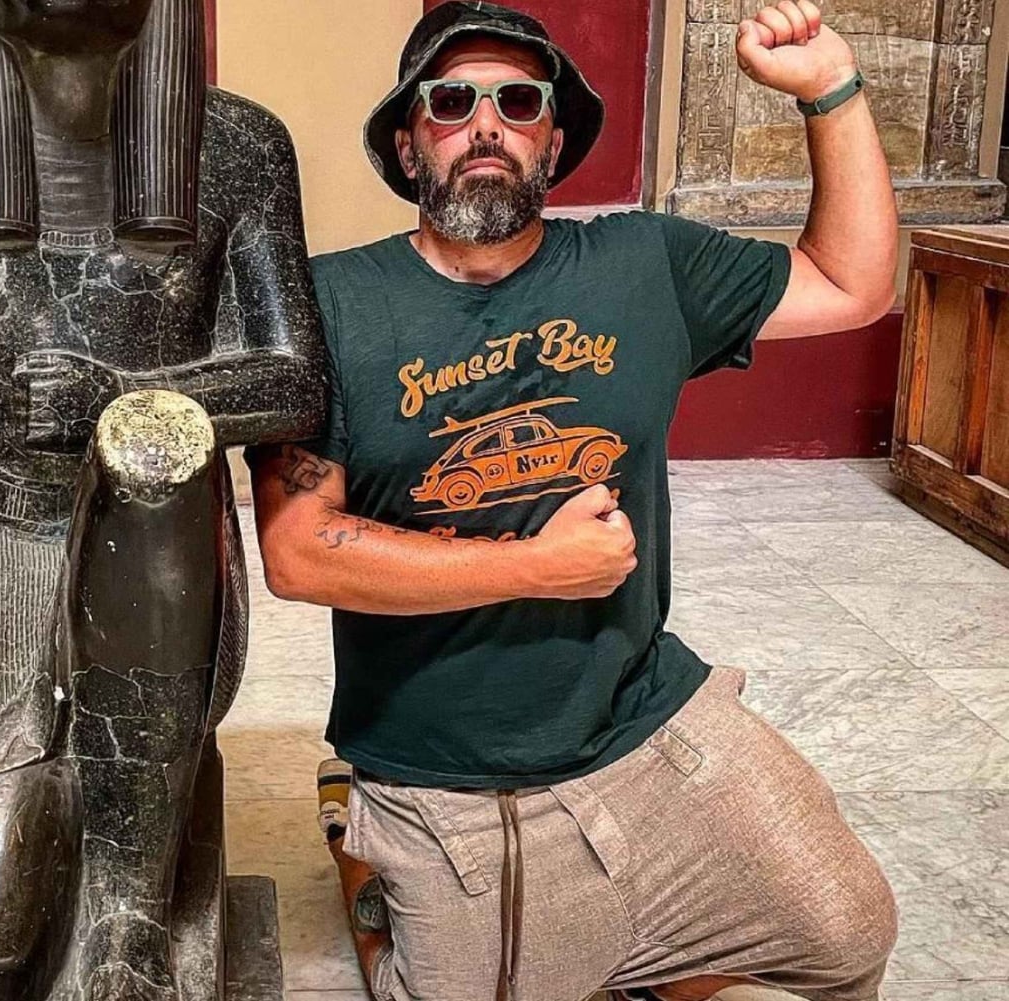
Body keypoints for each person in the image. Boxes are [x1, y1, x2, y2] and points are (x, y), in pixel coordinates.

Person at [248, 3, 901, 1000]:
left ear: (552, 142)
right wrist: (534, 567)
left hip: (644, 716)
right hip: (451, 766)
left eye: (520, 103)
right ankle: (359, 845)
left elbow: (853, 284)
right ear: (408, 143)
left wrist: (832, 91)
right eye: (451, 101)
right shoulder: (329, 302)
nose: (486, 125)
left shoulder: (645, 264)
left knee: (847, 933)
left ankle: (650, 957)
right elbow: (299, 551)